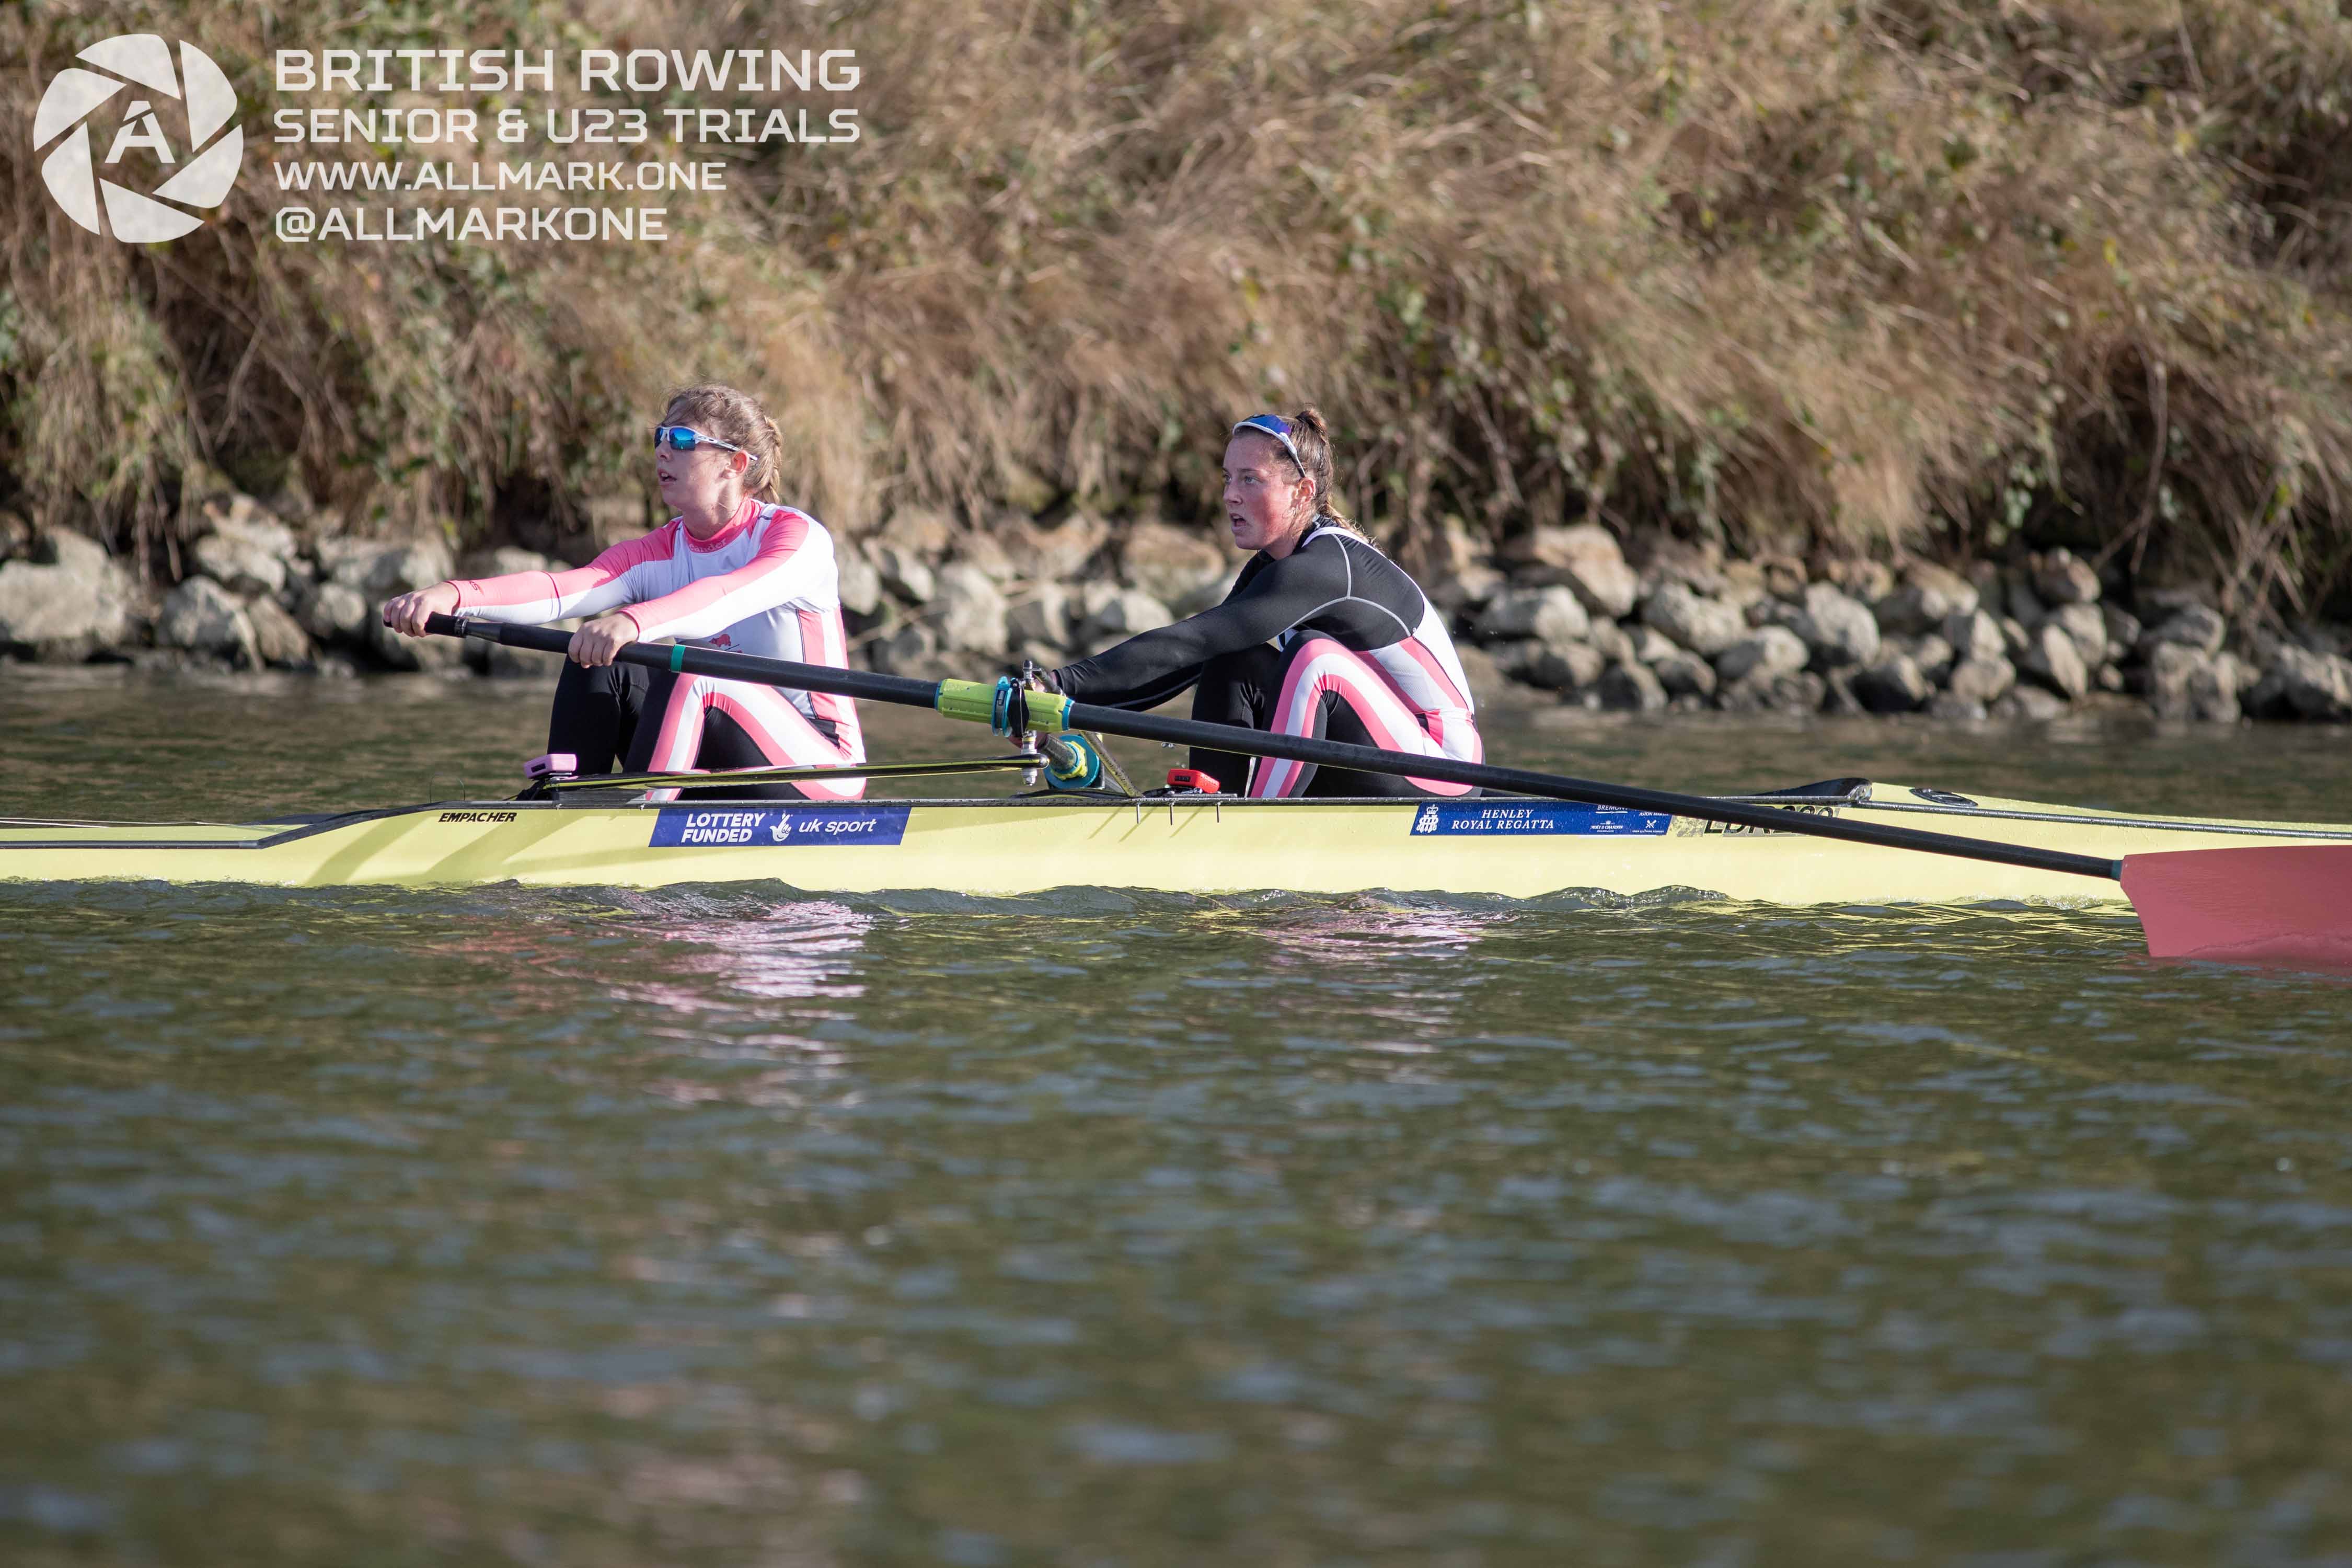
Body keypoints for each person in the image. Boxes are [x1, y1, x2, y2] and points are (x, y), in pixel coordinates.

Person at [381, 383, 865, 801]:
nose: (662, 451)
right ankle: (566, 799)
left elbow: (724, 597)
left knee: (689, 671)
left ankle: (643, 814)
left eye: (681, 440)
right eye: (660, 437)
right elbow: (560, 590)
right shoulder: (659, 549)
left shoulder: (795, 539)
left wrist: (635, 620)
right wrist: (452, 594)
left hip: (818, 762)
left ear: (734, 464)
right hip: (712, 755)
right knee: (600, 656)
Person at [1035, 408, 1479, 798]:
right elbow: (1189, 658)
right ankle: (1211, 803)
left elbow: (1191, 641)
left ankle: (1257, 823)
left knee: (1314, 657)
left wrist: (1059, 684)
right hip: (1369, 753)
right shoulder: (1271, 568)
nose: (1231, 494)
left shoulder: (1327, 565)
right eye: (1229, 479)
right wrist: (1056, 705)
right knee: (1232, 659)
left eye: (1251, 480)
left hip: (1440, 770)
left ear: (1303, 493)